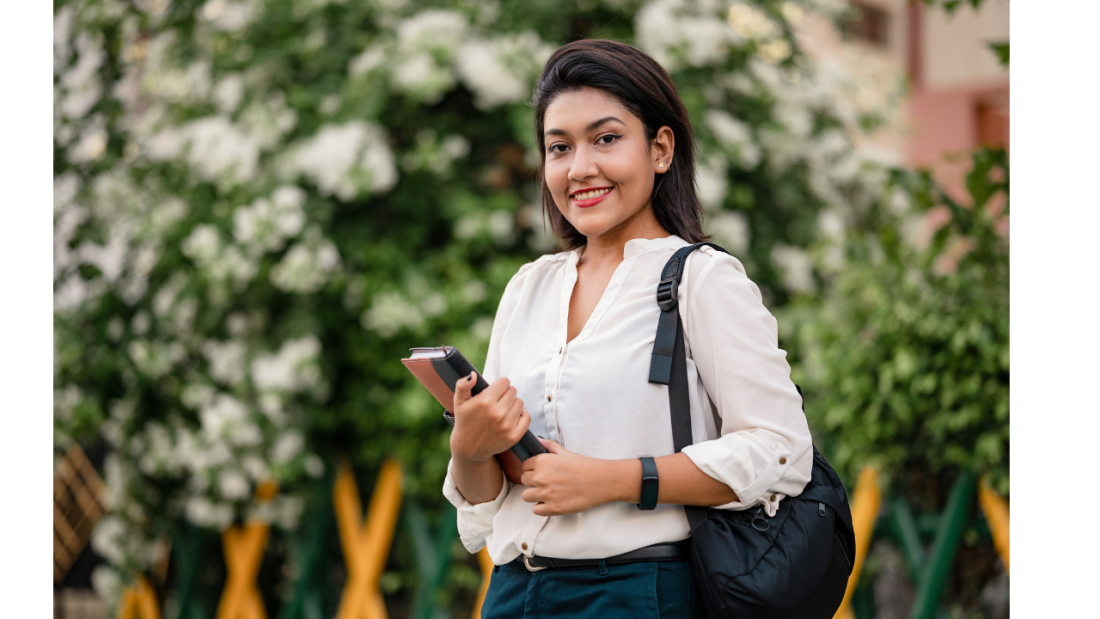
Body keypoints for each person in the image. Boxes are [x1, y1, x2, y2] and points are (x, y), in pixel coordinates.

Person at [443, 39, 813, 618]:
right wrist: (469, 448)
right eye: (558, 147)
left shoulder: (701, 280)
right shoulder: (528, 289)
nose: (580, 167)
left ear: (660, 148)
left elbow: (780, 452)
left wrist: (613, 480)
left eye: (606, 138)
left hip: (638, 592)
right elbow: (491, 499)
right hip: (513, 594)